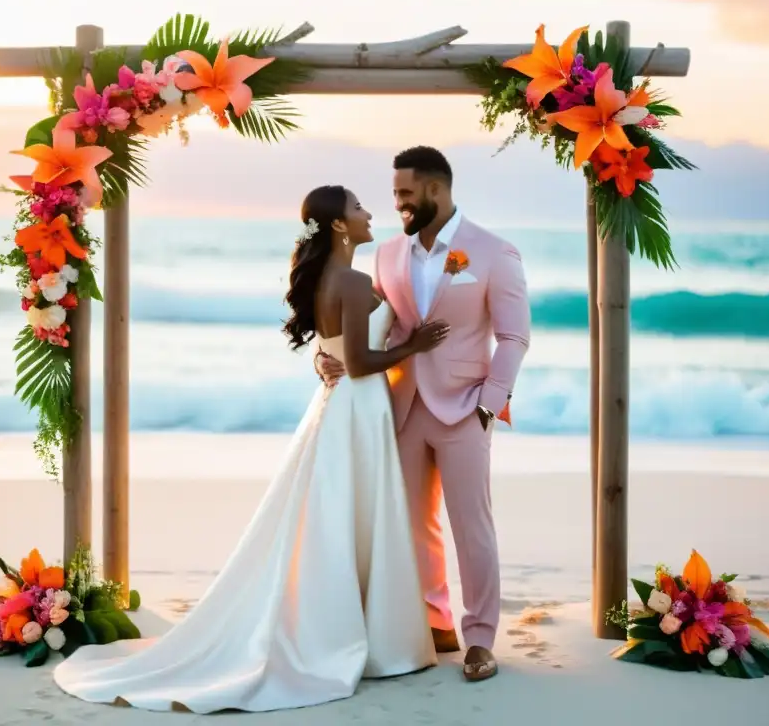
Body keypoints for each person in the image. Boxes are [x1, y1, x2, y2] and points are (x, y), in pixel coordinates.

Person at [53, 184, 447, 714]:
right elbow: (356, 362)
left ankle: (364, 631)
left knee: (337, 518)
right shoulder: (352, 280)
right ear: (337, 225)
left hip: (341, 407)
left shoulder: (334, 278)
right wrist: (413, 347)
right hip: (357, 407)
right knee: (353, 517)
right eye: (357, 208)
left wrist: (326, 359)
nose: (368, 212)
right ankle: (368, 641)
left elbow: (331, 351)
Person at [316, 146, 530, 682]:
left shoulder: (494, 252)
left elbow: (514, 337)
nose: (398, 204)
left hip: (464, 409)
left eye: (405, 194)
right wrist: (330, 355)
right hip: (402, 405)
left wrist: (489, 402)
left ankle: (480, 638)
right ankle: (436, 624)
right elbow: (375, 326)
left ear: (435, 190)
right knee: (412, 525)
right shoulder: (387, 254)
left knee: (472, 526)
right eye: (393, 195)